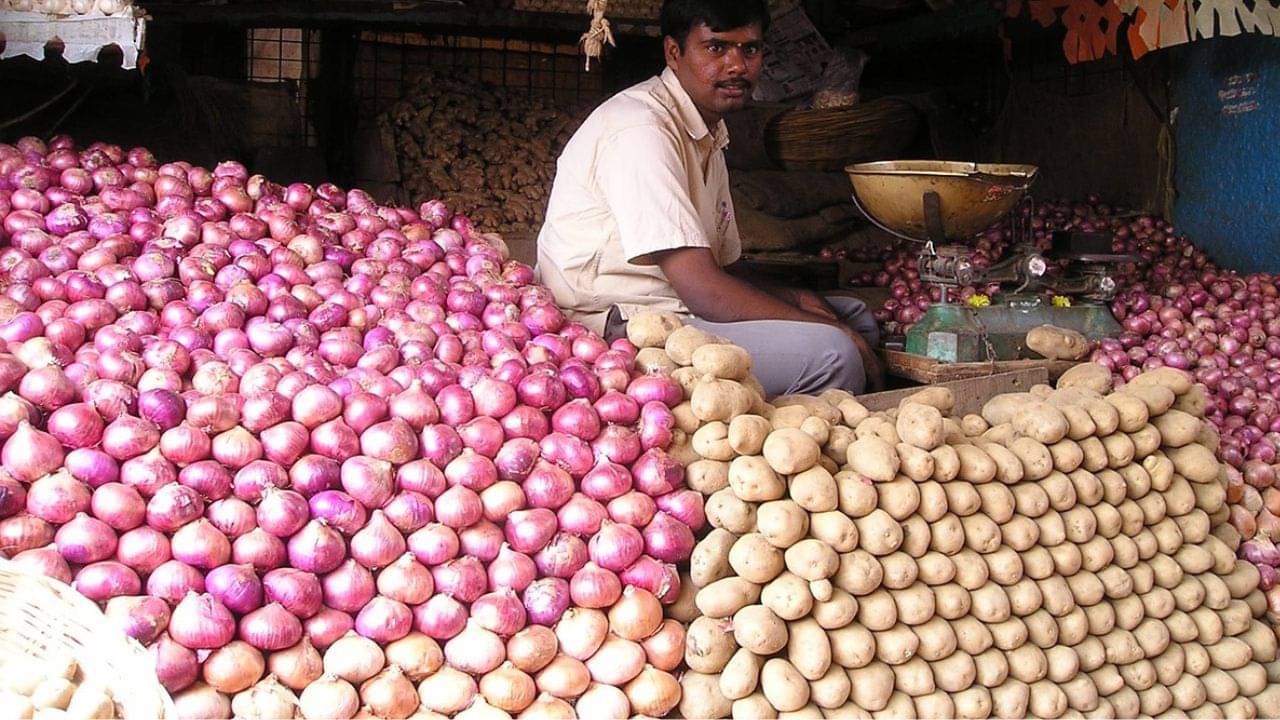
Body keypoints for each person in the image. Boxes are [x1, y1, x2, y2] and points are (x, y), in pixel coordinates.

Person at [535, 0, 883, 395]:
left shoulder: (706, 131)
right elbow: (703, 289)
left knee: (856, 316)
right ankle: (769, 441)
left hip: (674, 306)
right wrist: (823, 327)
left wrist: (799, 298)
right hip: (616, 326)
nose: (737, 65)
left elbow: (724, 268)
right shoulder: (641, 128)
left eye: (749, 49)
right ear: (674, 52)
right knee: (835, 352)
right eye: (716, 48)